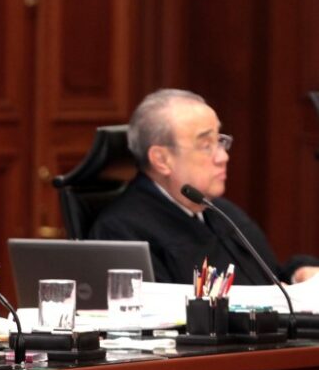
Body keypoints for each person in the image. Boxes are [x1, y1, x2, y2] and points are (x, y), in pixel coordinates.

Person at [89, 88, 319, 285]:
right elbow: (166, 324)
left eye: (220, 141)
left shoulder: (222, 212)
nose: (223, 157)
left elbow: (268, 278)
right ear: (161, 159)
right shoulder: (123, 232)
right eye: (205, 145)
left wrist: (299, 272)